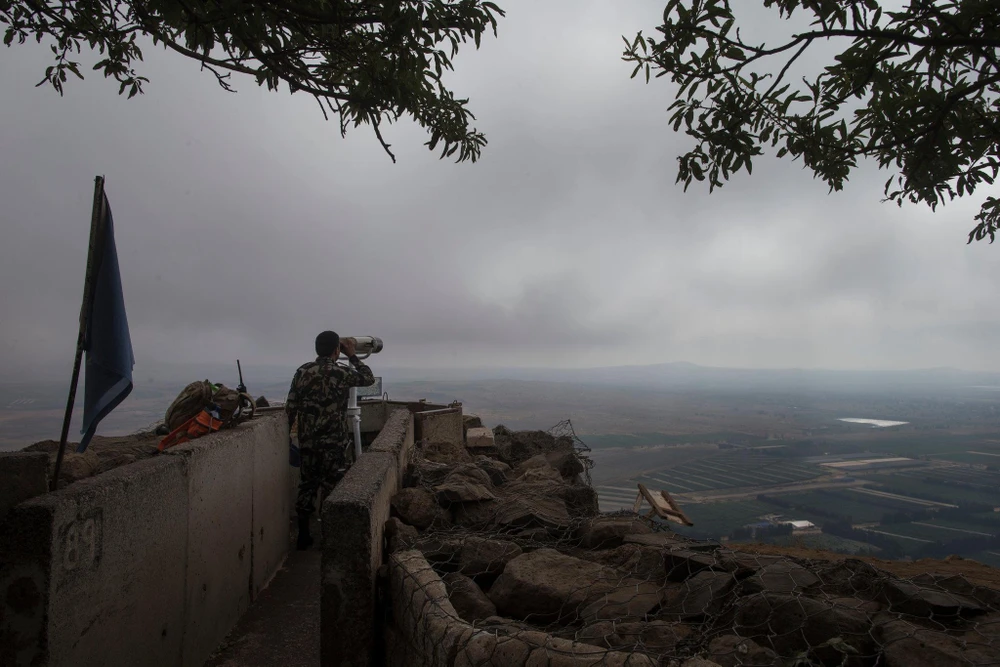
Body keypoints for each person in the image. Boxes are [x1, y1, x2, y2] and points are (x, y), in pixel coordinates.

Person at [285, 330, 375, 550]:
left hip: (308, 442)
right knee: (331, 488)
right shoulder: (341, 373)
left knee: (307, 486)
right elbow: (367, 378)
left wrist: (289, 438)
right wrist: (352, 355)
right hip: (333, 442)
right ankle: (329, 537)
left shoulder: (303, 372)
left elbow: (291, 407)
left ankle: (303, 535)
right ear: (337, 350)